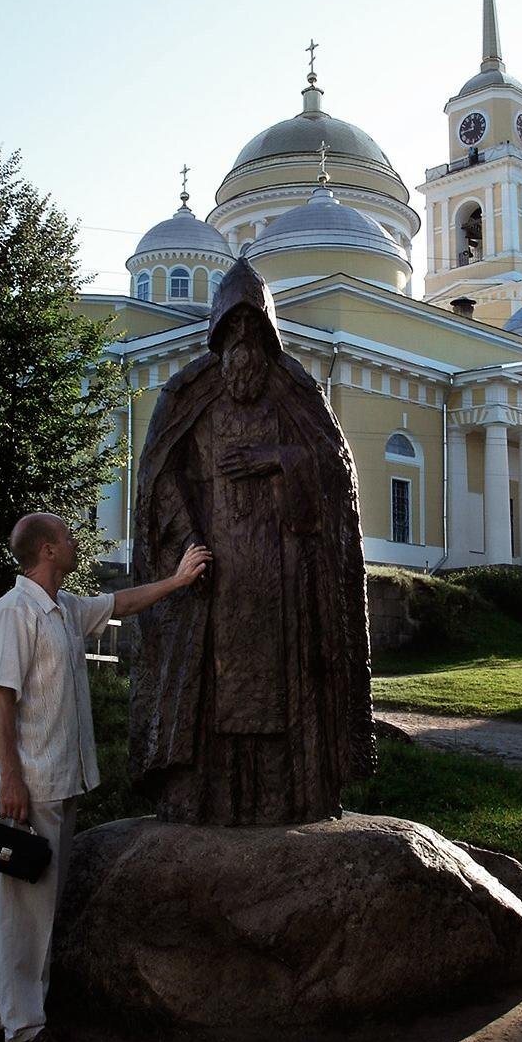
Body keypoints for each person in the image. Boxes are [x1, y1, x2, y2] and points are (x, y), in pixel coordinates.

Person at [131, 257, 375, 827]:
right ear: (217, 335)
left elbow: (334, 470)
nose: (242, 346)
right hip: (214, 579)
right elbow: (159, 477)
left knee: (286, 694)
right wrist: (188, 542)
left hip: (284, 583)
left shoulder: (295, 389)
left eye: (252, 332)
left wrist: (279, 460)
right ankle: (204, 799)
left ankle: (292, 798)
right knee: (208, 692)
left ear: (267, 334)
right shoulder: (187, 392)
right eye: (231, 333)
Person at [0, 512, 209, 1042]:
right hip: (29, 785)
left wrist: (178, 581)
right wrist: (11, 777)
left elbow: (123, 603)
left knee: (14, 906)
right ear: (47, 551)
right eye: (67, 537)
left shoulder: (61, 608)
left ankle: (0, 1014)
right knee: (27, 913)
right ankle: (25, 1028)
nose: (76, 542)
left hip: (58, 779)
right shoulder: (14, 613)